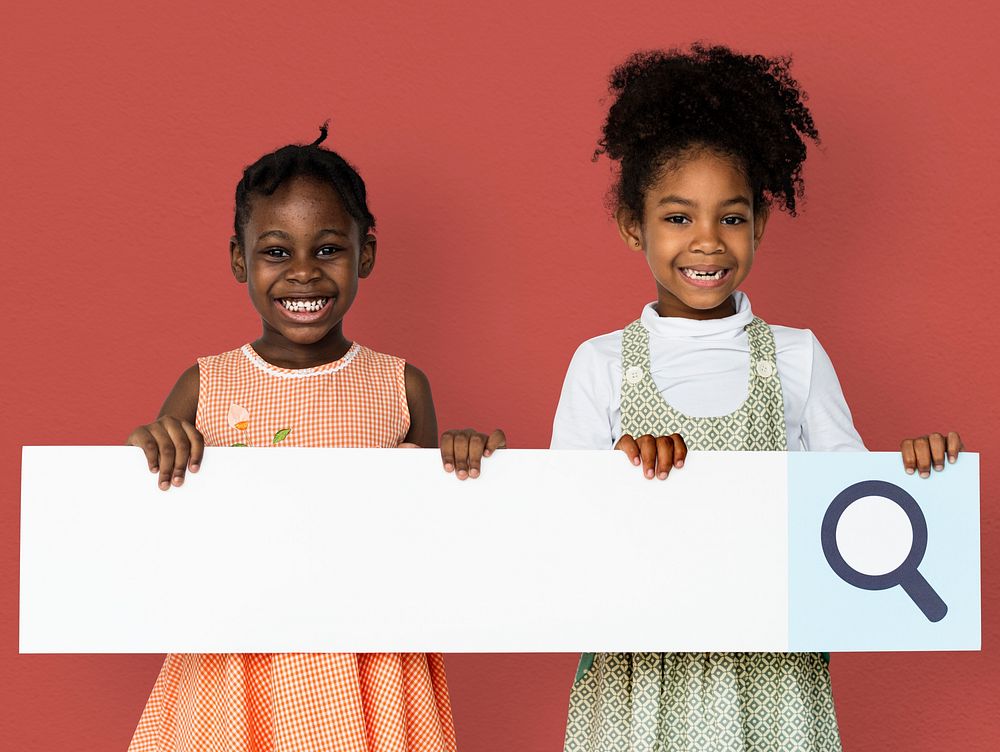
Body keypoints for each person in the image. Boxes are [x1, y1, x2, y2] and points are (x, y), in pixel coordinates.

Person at [551, 44, 963, 752]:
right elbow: (559, 525)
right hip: (640, 678)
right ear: (633, 226)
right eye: (678, 218)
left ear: (760, 225)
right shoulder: (602, 364)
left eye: (731, 218)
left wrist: (912, 473)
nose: (707, 241)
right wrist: (616, 476)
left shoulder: (797, 357)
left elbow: (856, 516)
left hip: (772, 673)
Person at [126, 126, 504, 752]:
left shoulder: (400, 385)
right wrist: (152, 445)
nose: (303, 273)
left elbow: (428, 536)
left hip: (368, 662)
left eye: (328, 250)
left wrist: (458, 463)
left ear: (366, 254)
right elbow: (149, 524)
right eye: (276, 252)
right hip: (237, 660)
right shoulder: (206, 383)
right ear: (239, 259)